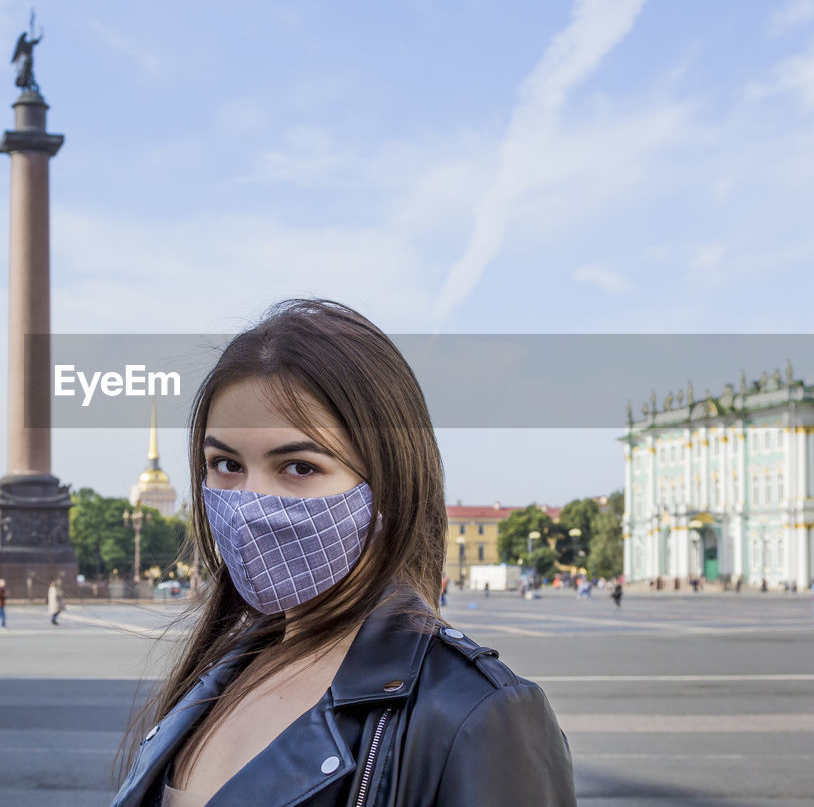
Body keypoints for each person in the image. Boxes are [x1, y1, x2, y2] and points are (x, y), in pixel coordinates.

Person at [111, 300, 575, 807]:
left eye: (299, 467)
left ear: (390, 483)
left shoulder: (476, 713)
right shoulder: (219, 674)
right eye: (225, 463)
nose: (249, 503)